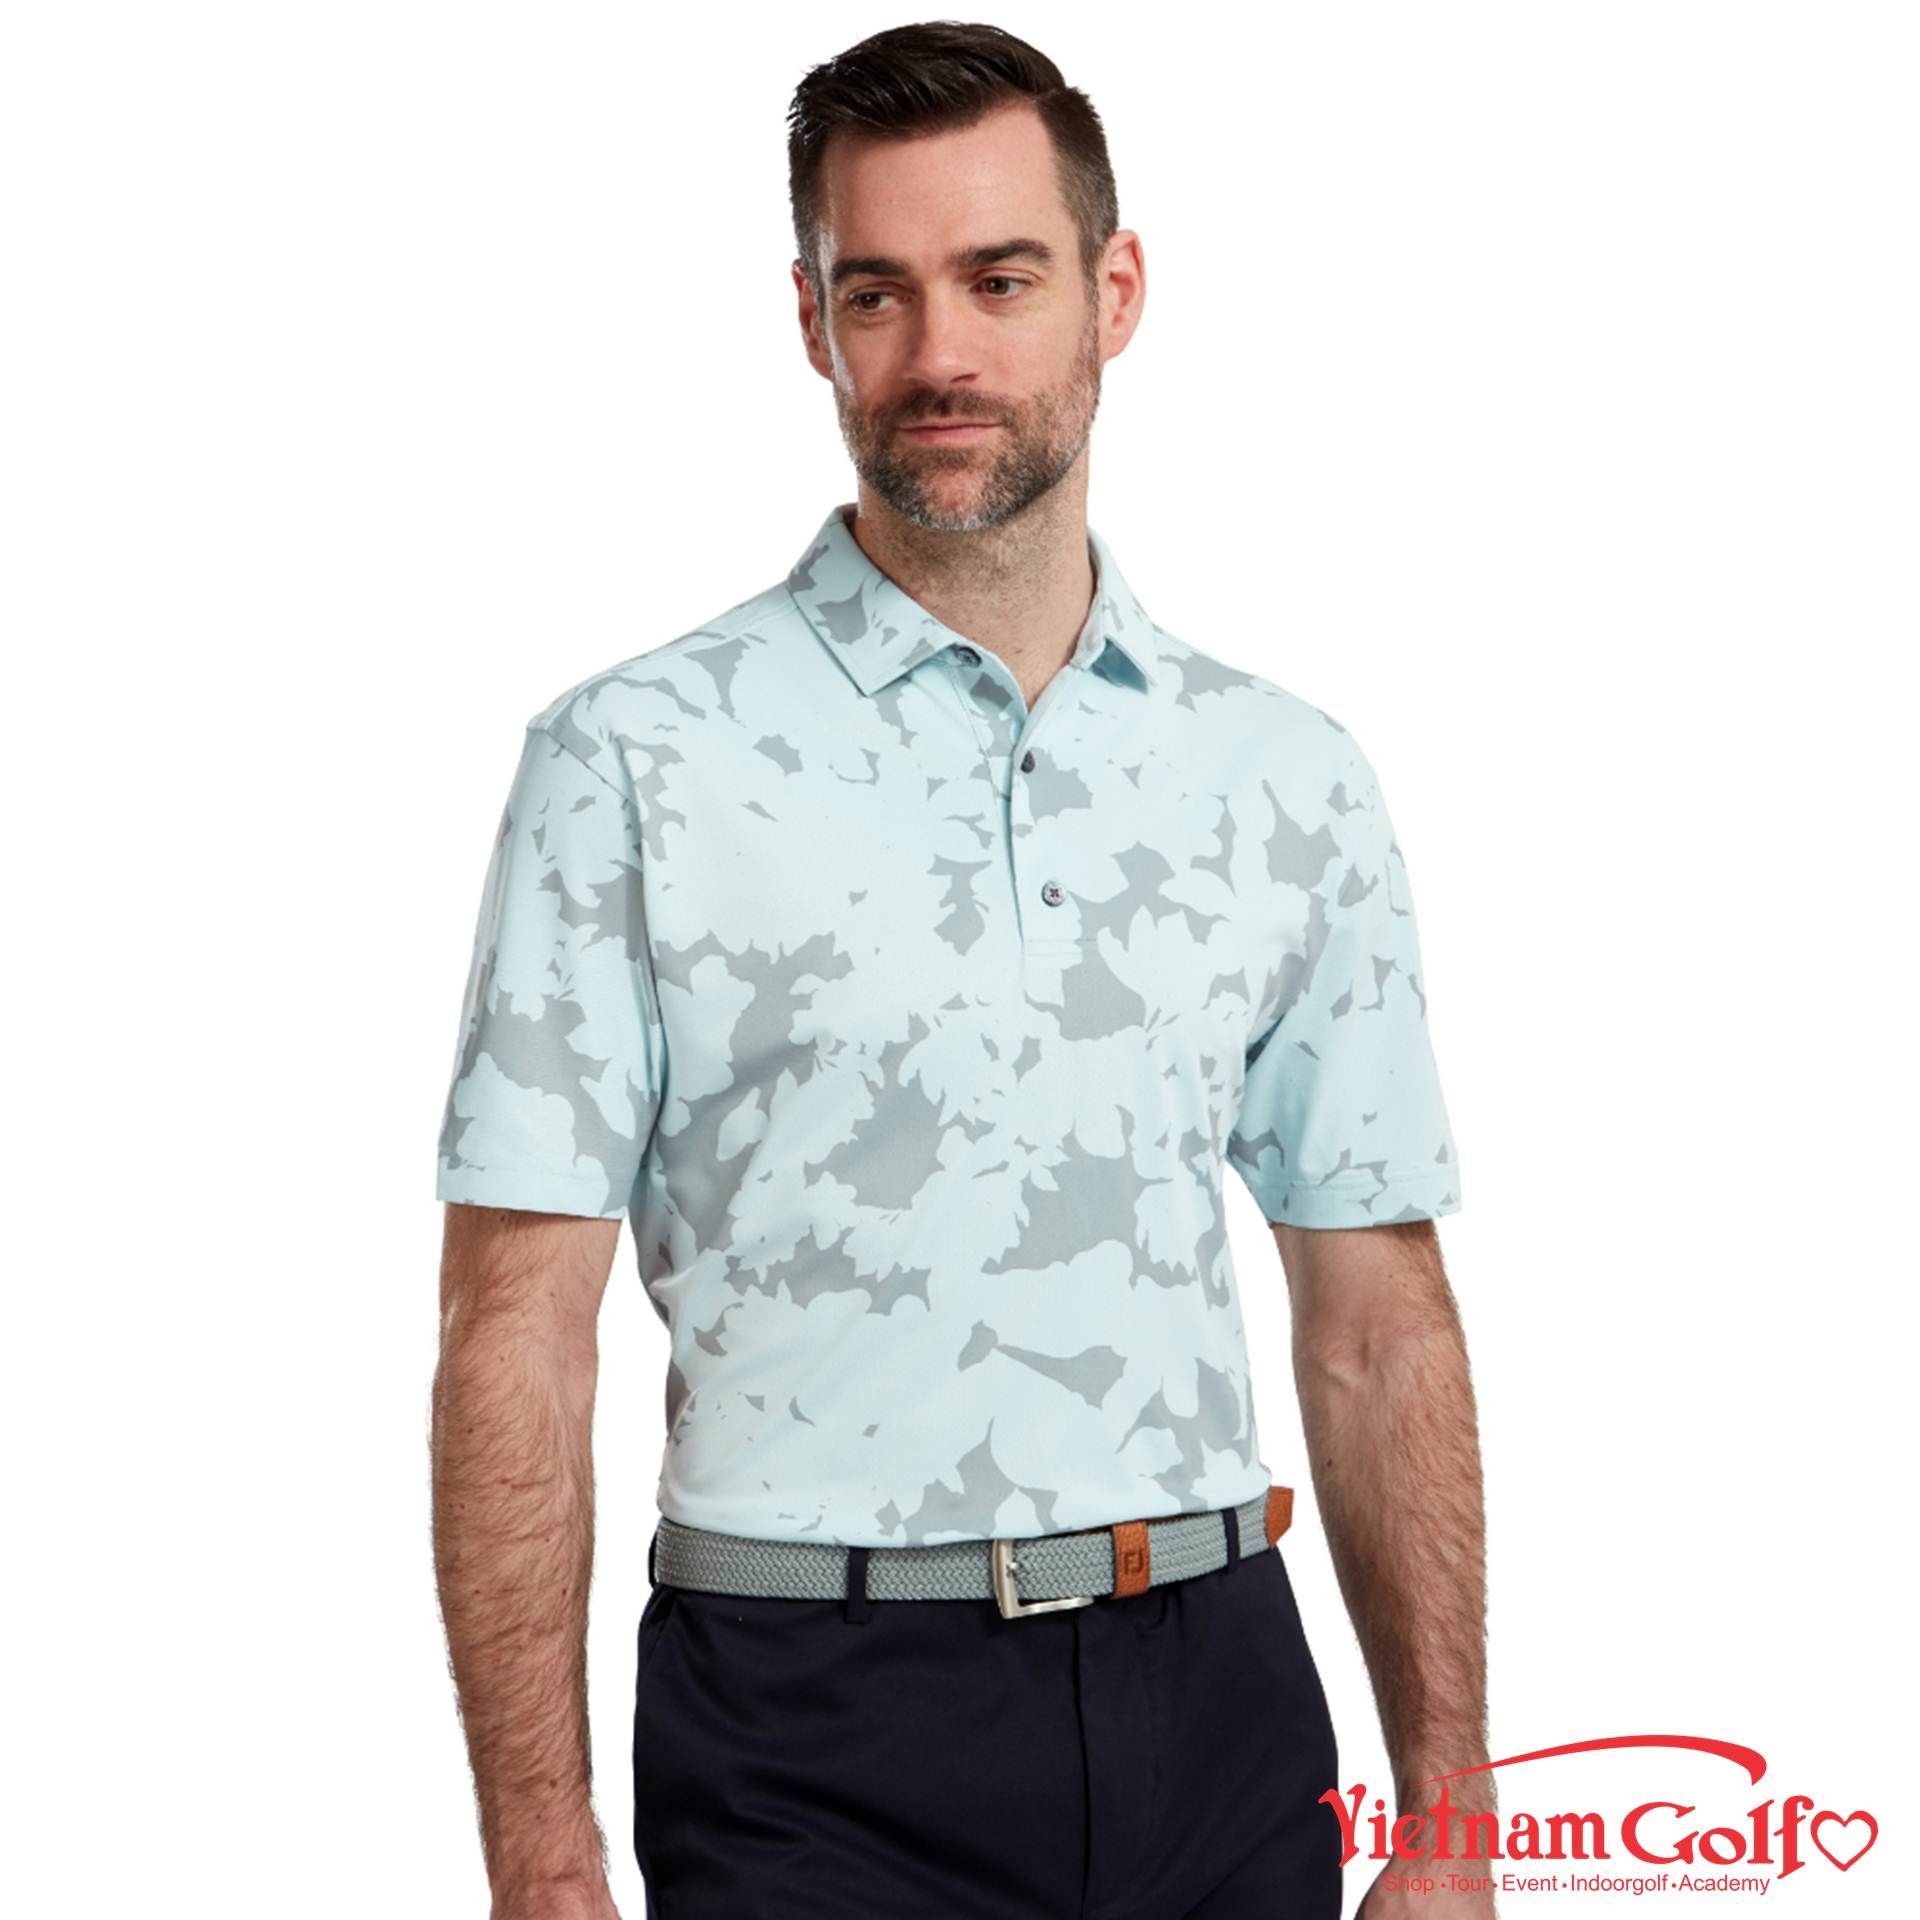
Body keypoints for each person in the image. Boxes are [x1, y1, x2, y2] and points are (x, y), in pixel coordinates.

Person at [430, 21, 1493, 1920]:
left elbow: (1376, 1321)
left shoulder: (1284, 775)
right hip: (808, 1731)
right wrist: (540, 1855)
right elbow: (514, 1332)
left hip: (1222, 1700)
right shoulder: (632, 760)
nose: (941, 354)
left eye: (1000, 280)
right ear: (813, 321)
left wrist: (1452, 1808)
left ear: (1115, 289)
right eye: (879, 291)